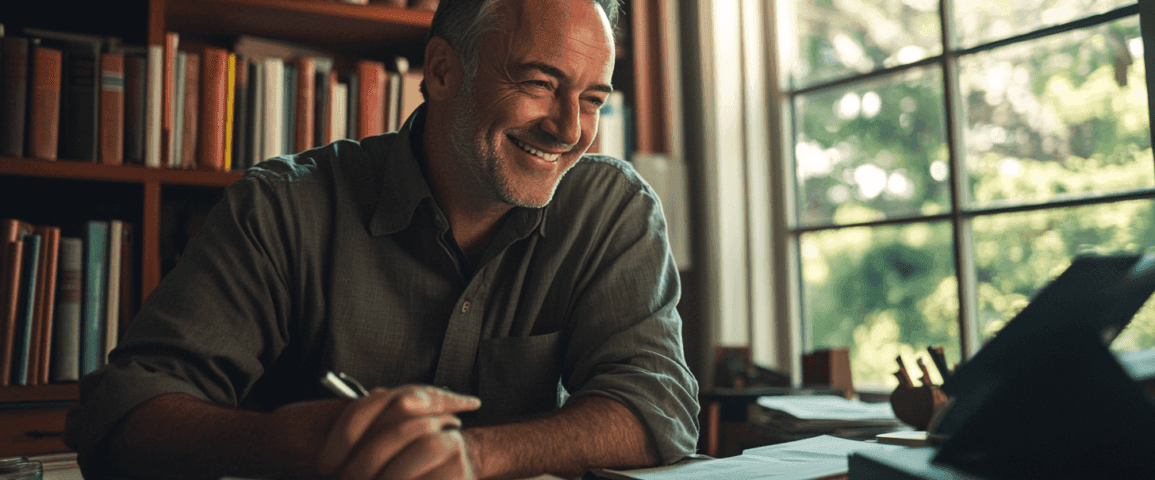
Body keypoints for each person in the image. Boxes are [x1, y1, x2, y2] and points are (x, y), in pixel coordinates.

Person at [63, 0, 700, 478]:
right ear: (444, 72)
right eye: (539, 83)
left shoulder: (611, 207)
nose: (570, 129)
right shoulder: (284, 205)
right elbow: (122, 413)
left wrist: (470, 456)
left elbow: (657, 407)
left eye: (591, 99)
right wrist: (296, 441)